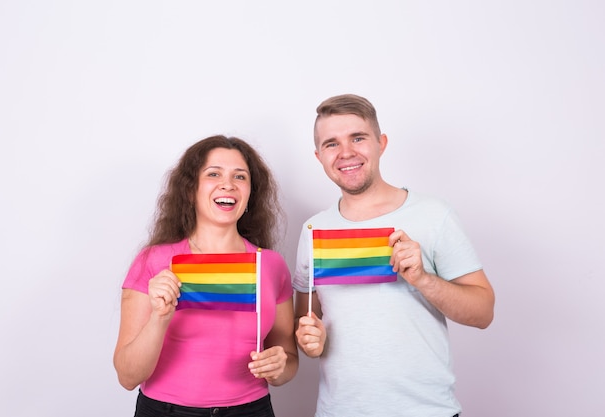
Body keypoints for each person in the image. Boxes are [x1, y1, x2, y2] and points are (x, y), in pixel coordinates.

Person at [293, 94, 495, 417]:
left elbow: (484, 311)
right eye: (332, 144)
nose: (346, 152)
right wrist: (308, 339)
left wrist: (423, 280)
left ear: (381, 143)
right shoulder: (313, 230)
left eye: (358, 138)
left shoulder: (433, 215)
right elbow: (306, 320)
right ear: (319, 156)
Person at [114, 135, 298, 417]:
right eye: (214, 174)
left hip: (251, 411)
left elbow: (289, 361)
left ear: (250, 193)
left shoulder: (271, 265)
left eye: (240, 176)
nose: (228, 184)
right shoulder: (154, 261)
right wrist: (159, 317)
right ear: (191, 190)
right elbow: (127, 377)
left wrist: (279, 367)